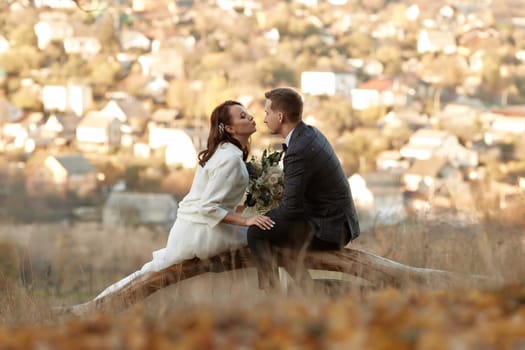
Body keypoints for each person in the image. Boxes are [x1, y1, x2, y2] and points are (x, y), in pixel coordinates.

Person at [95, 100, 275, 299]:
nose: (250, 117)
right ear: (230, 128)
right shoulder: (230, 159)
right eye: (242, 116)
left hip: (190, 228)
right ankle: (273, 293)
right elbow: (208, 208)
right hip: (204, 233)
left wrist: (248, 210)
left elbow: (218, 201)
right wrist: (247, 221)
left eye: (247, 113)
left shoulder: (225, 151)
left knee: (147, 271)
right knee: (265, 236)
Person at [247, 87, 360, 291]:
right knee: (273, 230)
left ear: (280, 116)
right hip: (334, 220)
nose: (264, 119)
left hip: (331, 229)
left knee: (257, 231)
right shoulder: (308, 133)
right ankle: (308, 288)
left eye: (267, 113)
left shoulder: (299, 149)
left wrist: (260, 216)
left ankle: (272, 294)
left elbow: (291, 209)